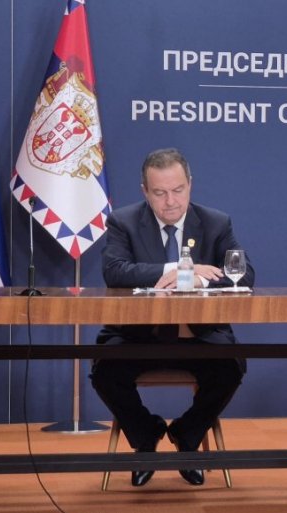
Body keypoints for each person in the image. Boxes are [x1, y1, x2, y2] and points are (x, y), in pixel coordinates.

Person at [90, 148, 255, 487]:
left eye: (178, 190)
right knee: (105, 371)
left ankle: (187, 435)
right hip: (138, 336)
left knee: (230, 366)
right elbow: (114, 272)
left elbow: (244, 273)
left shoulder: (215, 222)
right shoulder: (123, 222)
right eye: (160, 193)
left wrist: (201, 279)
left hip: (198, 337)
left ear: (190, 185)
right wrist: (179, 269)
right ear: (144, 191)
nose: (170, 202)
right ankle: (146, 437)